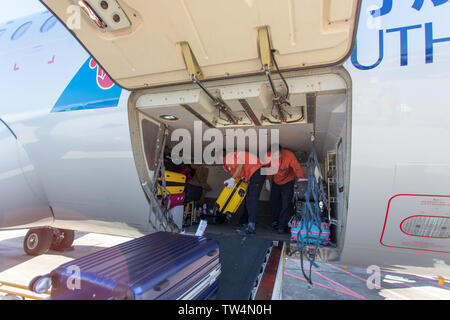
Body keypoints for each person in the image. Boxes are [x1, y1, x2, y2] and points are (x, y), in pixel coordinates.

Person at [264, 144, 305, 234]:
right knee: (273, 202)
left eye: (278, 154)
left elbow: (297, 168)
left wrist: (301, 179)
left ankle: (282, 226)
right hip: (276, 181)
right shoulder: (267, 156)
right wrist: (267, 179)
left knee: (285, 203)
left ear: (281, 151)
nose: (276, 157)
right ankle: (275, 222)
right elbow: (267, 167)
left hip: (288, 182)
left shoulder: (289, 155)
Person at [223, 150, 265, 235]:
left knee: (252, 199)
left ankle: (251, 226)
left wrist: (232, 179)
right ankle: (244, 223)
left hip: (257, 172)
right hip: (254, 174)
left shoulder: (230, 157)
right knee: (247, 199)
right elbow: (241, 172)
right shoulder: (233, 156)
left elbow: (240, 165)